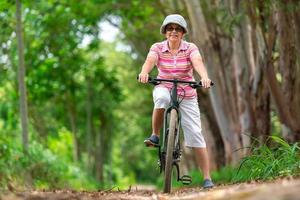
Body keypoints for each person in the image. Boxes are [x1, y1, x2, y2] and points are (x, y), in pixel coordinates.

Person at [138, 14, 214, 189]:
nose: (174, 31)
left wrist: (204, 77)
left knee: (195, 133)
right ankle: (156, 135)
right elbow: (149, 61)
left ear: (183, 33)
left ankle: (207, 178)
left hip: (187, 91)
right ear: (165, 32)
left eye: (178, 29)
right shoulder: (157, 47)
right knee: (162, 98)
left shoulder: (190, 48)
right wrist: (144, 72)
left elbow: (198, 62)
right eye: (170, 28)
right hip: (164, 85)